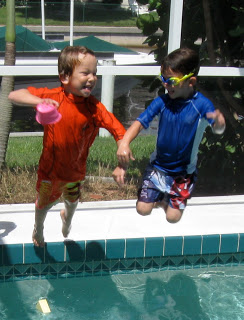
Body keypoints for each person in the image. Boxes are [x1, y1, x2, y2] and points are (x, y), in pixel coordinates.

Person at [8, 46, 126, 247]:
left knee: (72, 203)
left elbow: (119, 131)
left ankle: (67, 218)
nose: (92, 78)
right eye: (85, 72)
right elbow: (14, 95)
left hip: (75, 171)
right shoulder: (53, 96)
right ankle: (39, 228)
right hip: (50, 172)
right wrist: (39, 101)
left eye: (94, 73)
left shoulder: (94, 108)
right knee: (43, 205)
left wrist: (122, 154)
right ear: (64, 77)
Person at [115, 47, 226, 224]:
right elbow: (139, 123)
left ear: (191, 81)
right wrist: (124, 143)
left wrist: (219, 124)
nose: (166, 84)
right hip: (158, 168)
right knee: (142, 209)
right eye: (163, 79)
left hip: (183, 173)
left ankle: (167, 199)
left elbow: (217, 130)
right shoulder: (162, 102)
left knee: (172, 218)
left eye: (172, 80)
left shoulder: (202, 105)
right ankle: (158, 196)